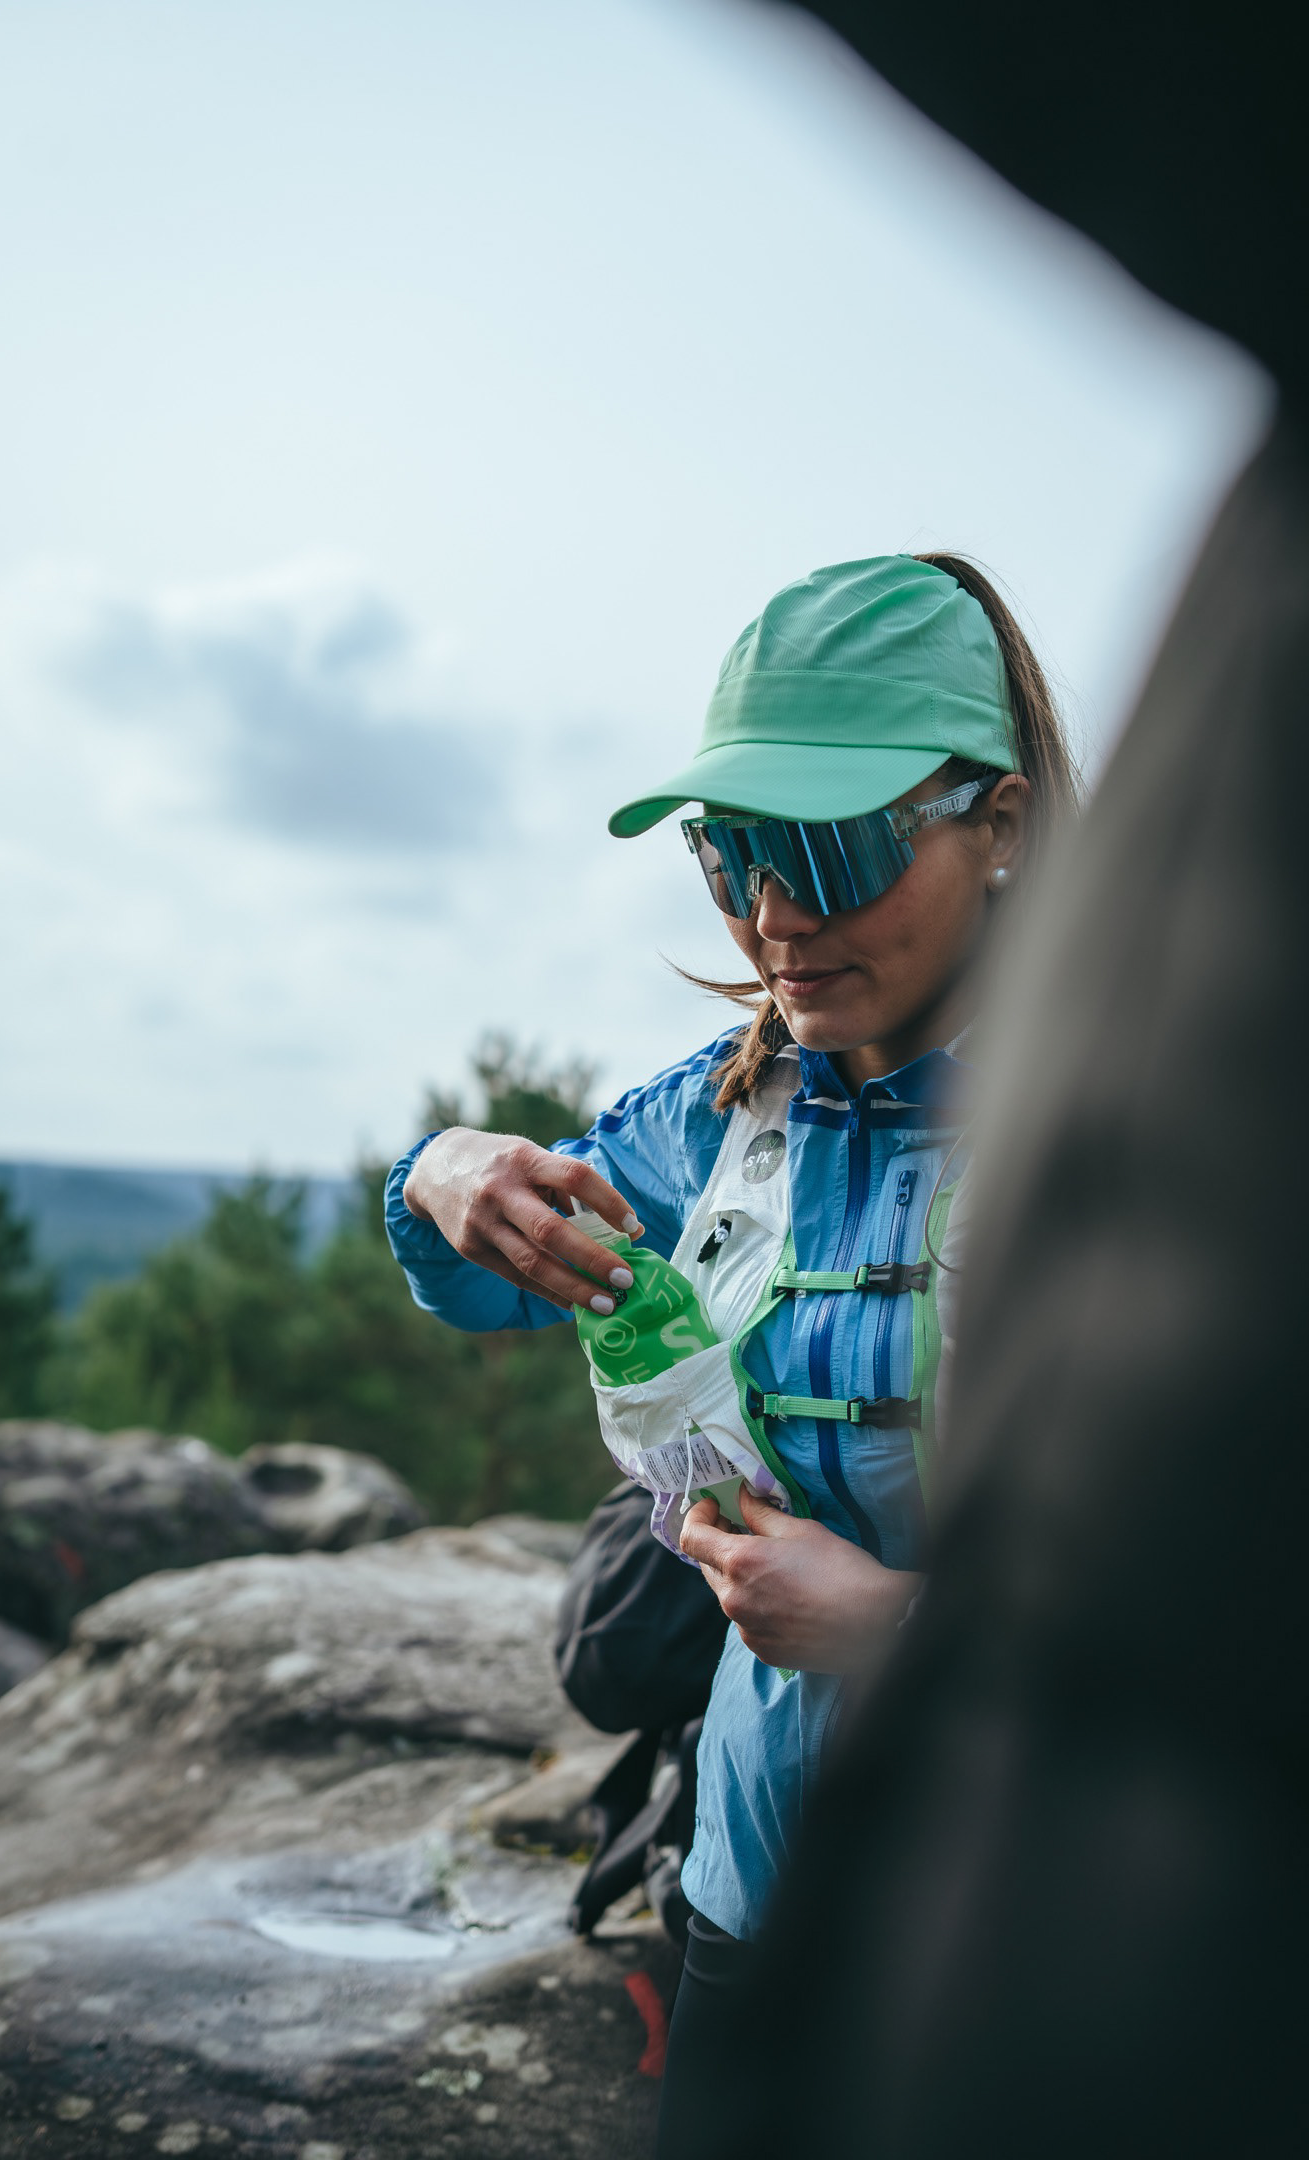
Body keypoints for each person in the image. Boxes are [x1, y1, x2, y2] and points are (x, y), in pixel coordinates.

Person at [383, 553, 1077, 2152]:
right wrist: (444, 1172)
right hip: (748, 1909)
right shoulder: (715, 1119)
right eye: (732, 852)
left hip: (1042, 1952)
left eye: (827, 846)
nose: (775, 915)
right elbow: (486, 1286)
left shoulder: (1155, 1132)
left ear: (1004, 827)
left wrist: (902, 1630)